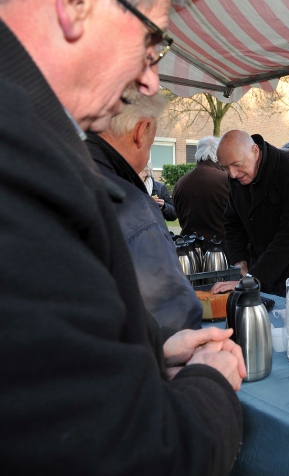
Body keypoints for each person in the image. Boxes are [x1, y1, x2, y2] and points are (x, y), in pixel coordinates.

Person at [0, 0, 246, 472]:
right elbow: (136, 454)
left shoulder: (32, 144)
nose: (151, 80)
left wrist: (149, 351)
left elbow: (55, 372)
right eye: (151, 41)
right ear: (76, 7)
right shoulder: (21, 167)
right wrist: (209, 383)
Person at [86, 90, 202, 332]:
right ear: (141, 131)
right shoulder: (132, 207)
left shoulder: (53, 177)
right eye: (152, 143)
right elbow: (171, 316)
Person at [211, 130, 289, 297]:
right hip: (264, 268)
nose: (232, 174)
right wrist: (239, 260)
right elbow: (233, 222)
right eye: (226, 168)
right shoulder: (237, 176)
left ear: (255, 151)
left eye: (236, 164)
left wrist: (254, 278)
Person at [173, 136, 230, 247]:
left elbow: (178, 214)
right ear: (219, 153)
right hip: (220, 251)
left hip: (190, 251)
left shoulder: (181, 183)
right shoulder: (227, 180)